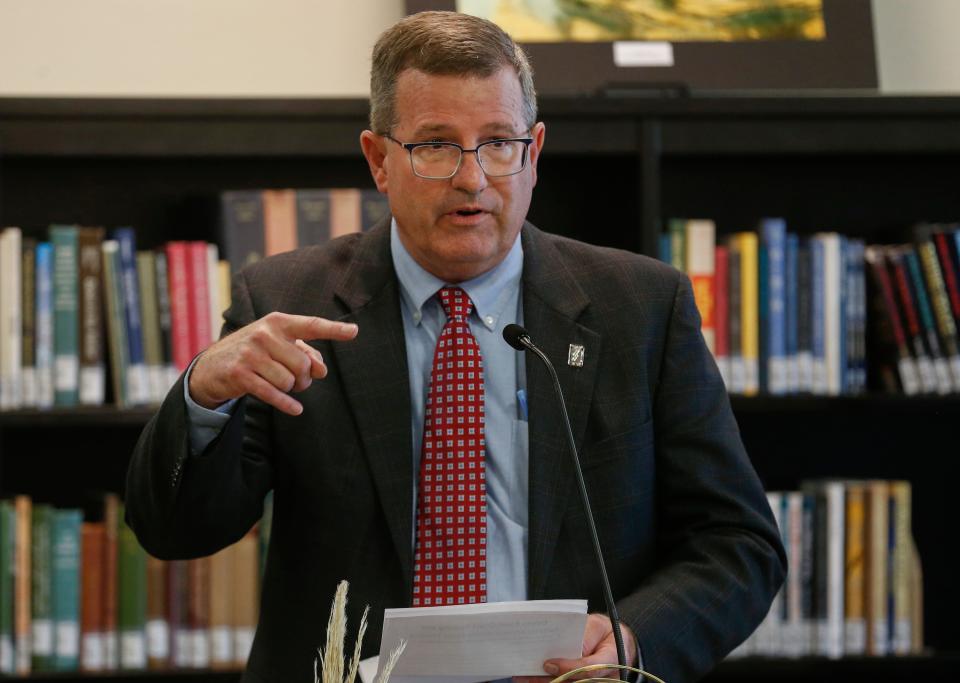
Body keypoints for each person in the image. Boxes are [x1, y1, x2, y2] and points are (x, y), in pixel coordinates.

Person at [125, 11, 785, 683]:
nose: (473, 178)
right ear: (379, 160)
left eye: (499, 143)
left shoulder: (640, 307)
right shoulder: (288, 303)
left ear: (534, 153)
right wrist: (203, 392)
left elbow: (739, 544)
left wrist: (633, 636)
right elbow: (176, 530)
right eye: (436, 145)